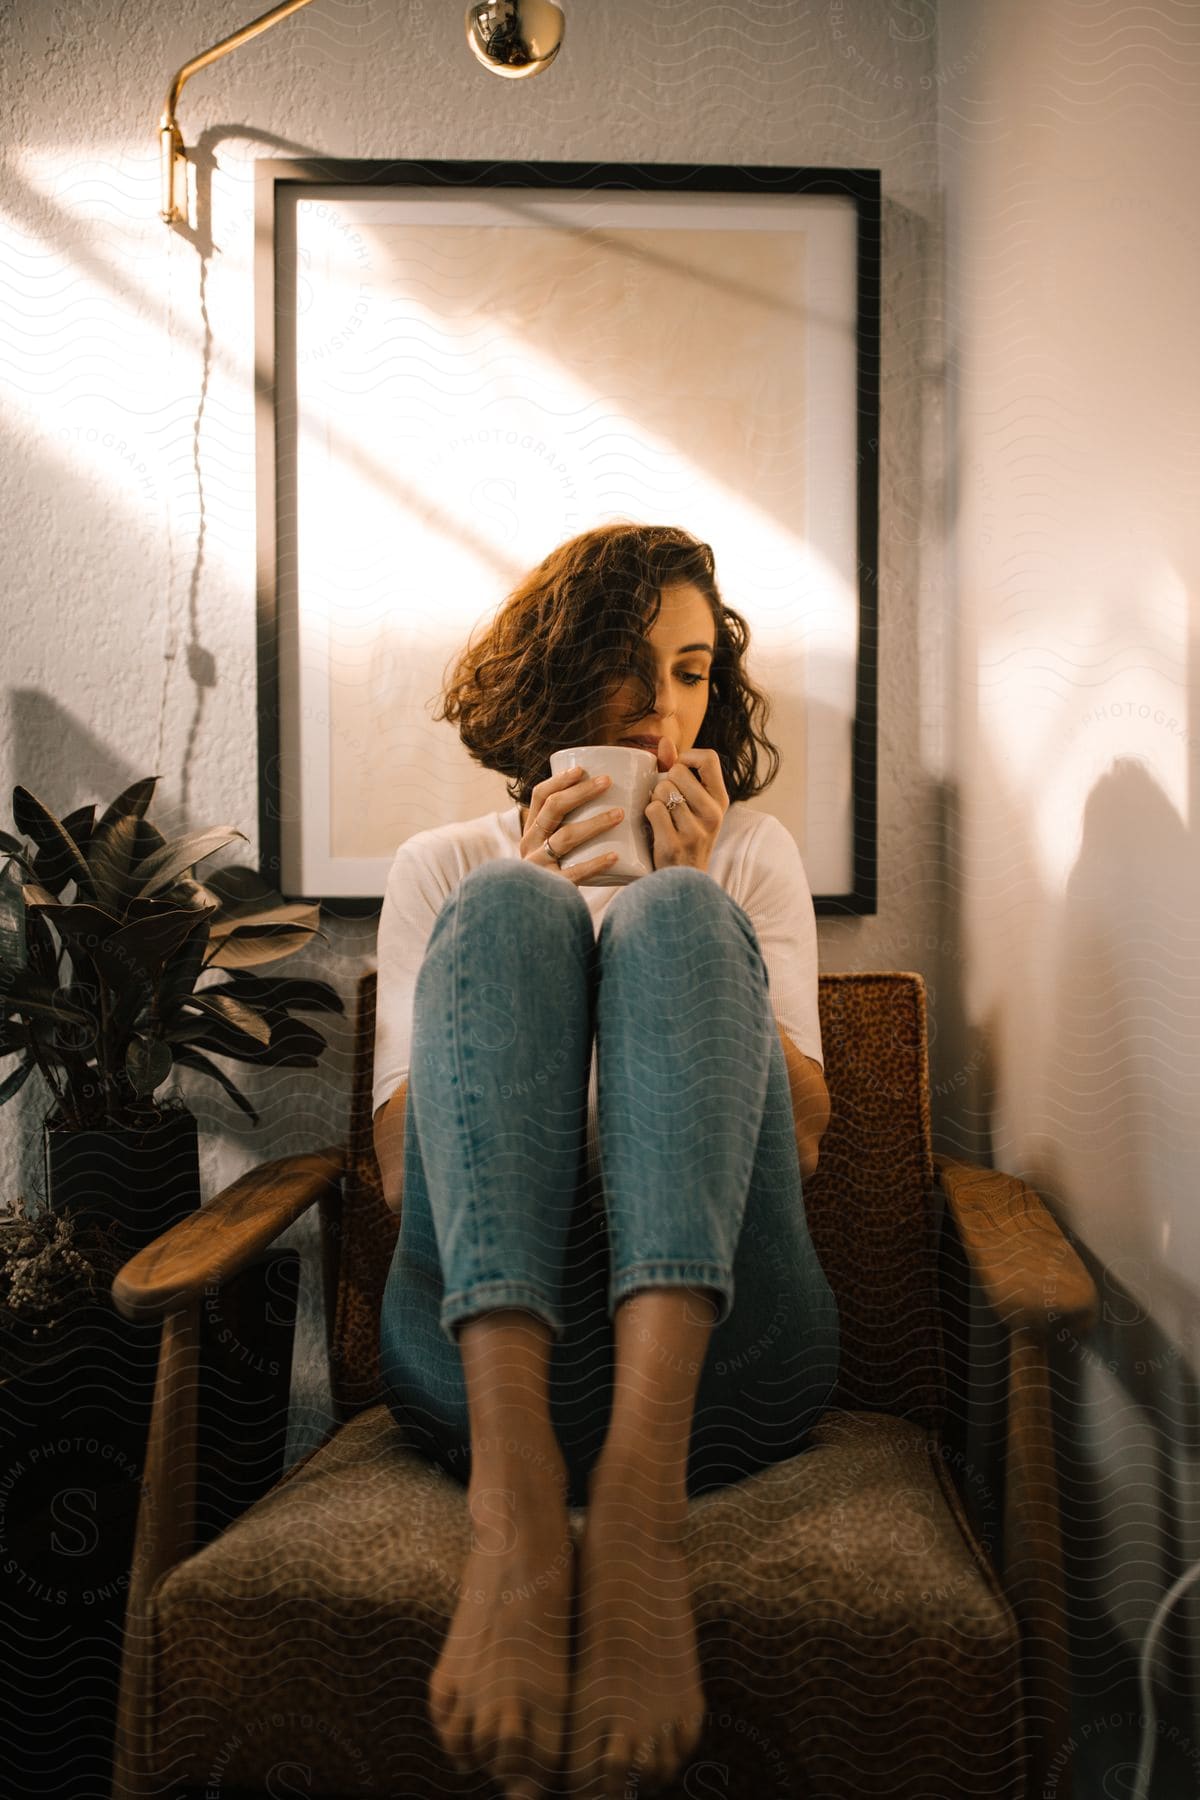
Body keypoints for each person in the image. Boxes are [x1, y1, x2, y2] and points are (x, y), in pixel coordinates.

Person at [372, 523, 839, 1800]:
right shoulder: (448, 873)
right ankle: (515, 1516)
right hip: (481, 1374)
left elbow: (797, 1141)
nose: (661, 711)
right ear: (553, 678)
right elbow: (409, 1185)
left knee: (682, 913)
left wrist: (675, 900)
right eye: (627, 669)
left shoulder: (752, 858)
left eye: (690, 673)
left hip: (725, 1379)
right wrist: (514, 928)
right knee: (512, 910)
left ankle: (639, 1525)